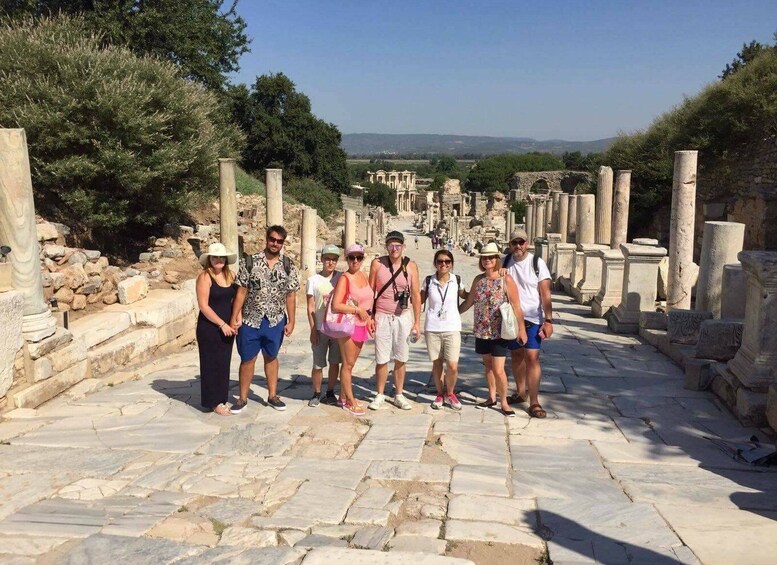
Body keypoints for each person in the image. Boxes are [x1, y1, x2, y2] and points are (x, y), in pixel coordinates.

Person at [230, 225, 300, 412]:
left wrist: (292, 320)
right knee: (247, 359)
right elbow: (241, 290)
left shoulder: (288, 264)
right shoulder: (250, 262)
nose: (275, 243)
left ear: (283, 243)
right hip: (251, 319)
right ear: (266, 239)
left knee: (271, 357)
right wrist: (235, 315)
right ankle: (242, 398)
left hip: (275, 320)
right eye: (272, 239)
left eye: (279, 241)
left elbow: (291, 295)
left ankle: (272, 395)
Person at [459, 242, 528, 417]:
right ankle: (491, 397)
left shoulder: (506, 279)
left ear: (496, 259)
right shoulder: (478, 280)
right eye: (484, 257)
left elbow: (516, 305)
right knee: (488, 365)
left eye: (491, 257)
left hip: (500, 331)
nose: (487, 260)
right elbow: (469, 301)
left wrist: (522, 329)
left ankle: (504, 401)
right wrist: (453, 313)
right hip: (482, 329)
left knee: (499, 369)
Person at [502, 228, 553, 418]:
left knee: (532, 357)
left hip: (533, 318)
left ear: (527, 243)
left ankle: (534, 401)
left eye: (521, 242)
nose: (518, 246)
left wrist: (548, 320)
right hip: (512, 318)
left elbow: (545, 294)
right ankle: (521, 392)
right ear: (510, 244)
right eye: (514, 242)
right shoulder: (505, 262)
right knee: (516, 355)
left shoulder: (537, 263)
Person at [368, 230, 421, 410]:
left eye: (398, 245)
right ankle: (380, 394)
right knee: (381, 358)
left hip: (403, 316)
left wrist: (417, 322)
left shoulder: (411, 266)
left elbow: (415, 295)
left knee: (401, 357)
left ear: (403, 247)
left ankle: (399, 394)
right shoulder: (377, 264)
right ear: (387, 246)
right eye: (391, 245)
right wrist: (370, 317)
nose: (394, 248)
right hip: (382, 315)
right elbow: (370, 292)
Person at [331, 244, 374, 416]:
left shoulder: (364, 275)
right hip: (350, 325)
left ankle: (343, 396)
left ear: (362, 259)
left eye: (359, 257)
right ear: (347, 259)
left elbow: (367, 301)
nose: (355, 261)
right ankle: (350, 401)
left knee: (351, 364)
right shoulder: (345, 278)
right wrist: (358, 311)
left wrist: (369, 317)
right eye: (351, 257)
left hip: (362, 325)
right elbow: (336, 305)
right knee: (347, 365)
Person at [421, 249, 467, 410]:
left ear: (452, 264)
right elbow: (418, 299)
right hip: (433, 327)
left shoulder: (457, 280)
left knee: (453, 365)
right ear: (435, 263)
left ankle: (451, 392)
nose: (444, 264)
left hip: (452, 327)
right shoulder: (428, 281)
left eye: (447, 261)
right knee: (437, 363)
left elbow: (467, 296)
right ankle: (440, 393)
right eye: (440, 261)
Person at [195, 242, 238, 416]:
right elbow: (203, 306)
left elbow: (237, 299)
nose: (218, 260)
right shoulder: (204, 277)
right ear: (209, 259)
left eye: (221, 257)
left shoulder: (231, 275)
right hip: (210, 327)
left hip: (228, 327)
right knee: (211, 364)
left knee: (223, 363)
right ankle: (213, 402)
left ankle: (221, 398)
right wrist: (221, 324)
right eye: (215, 257)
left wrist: (237, 318)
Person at [306, 244, 343, 407]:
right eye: (327, 259)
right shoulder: (313, 280)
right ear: (321, 259)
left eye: (333, 260)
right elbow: (310, 307)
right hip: (320, 328)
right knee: (318, 363)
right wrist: (313, 329)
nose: (330, 262)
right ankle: (316, 393)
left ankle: (330, 392)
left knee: (335, 362)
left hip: (336, 328)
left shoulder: (342, 278)